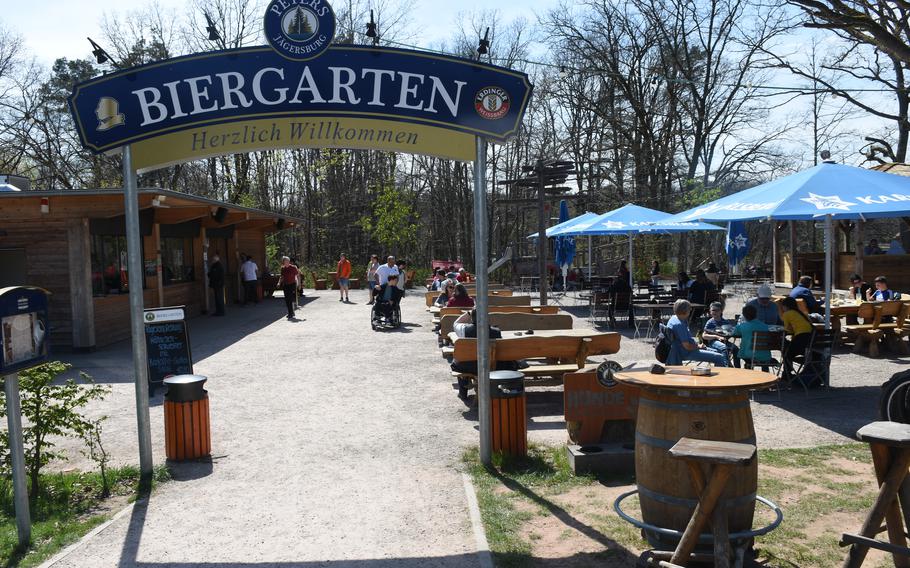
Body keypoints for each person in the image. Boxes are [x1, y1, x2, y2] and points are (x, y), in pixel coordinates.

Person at [665, 299, 728, 367]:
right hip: (686, 352)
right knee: (719, 357)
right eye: (689, 309)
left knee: (717, 352)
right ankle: (722, 376)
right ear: (685, 311)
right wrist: (698, 346)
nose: (690, 310)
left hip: (686, 348)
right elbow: (687, 346)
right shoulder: (679, 325)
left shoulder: (674, 318)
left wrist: (698, 345)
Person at [780, 297, 814, 381]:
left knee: (786, 352)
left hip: (801, 338)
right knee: (788, 350)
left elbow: (786, 329)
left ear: (785, 306)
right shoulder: (802, 313)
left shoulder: (787, 314)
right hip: (810, 340)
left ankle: (786, 373)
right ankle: (787, 373)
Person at [733, 304, 771, 370]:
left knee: (735, 353)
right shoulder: (765, 326)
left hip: (749, 355)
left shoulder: (742, 326)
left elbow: (735, 333)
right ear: (756, 314)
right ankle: (766, 373)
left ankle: (737, 370)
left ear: (744, 315)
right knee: (761, 357)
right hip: (765, 355)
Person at [702, 301, 740, 368]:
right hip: (713, 342)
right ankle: (727, 365)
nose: (715, 312)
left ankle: (737, 367)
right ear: (710, 311)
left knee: (736, 349)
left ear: (721, 311)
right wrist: (716, 336)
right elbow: (704, 336)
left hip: (725, 341)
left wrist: (729, 335)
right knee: (724, 347)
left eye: (717, 310)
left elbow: (729, 333)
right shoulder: (710, 322)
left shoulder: (725, 321)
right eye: (713, 310)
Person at [279, 256, 300, 321]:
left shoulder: (293, 267)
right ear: (283, 262)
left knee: (290, 298)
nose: (286, 262)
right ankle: (290, 312)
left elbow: (297, 275)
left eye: (287, 261)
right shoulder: (283, 268)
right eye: (285, 261)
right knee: (287, 299)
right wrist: (279, 282)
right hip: (285, 285)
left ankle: (291, 313)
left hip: (292, 284)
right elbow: (282, 276)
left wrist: (299, 284)